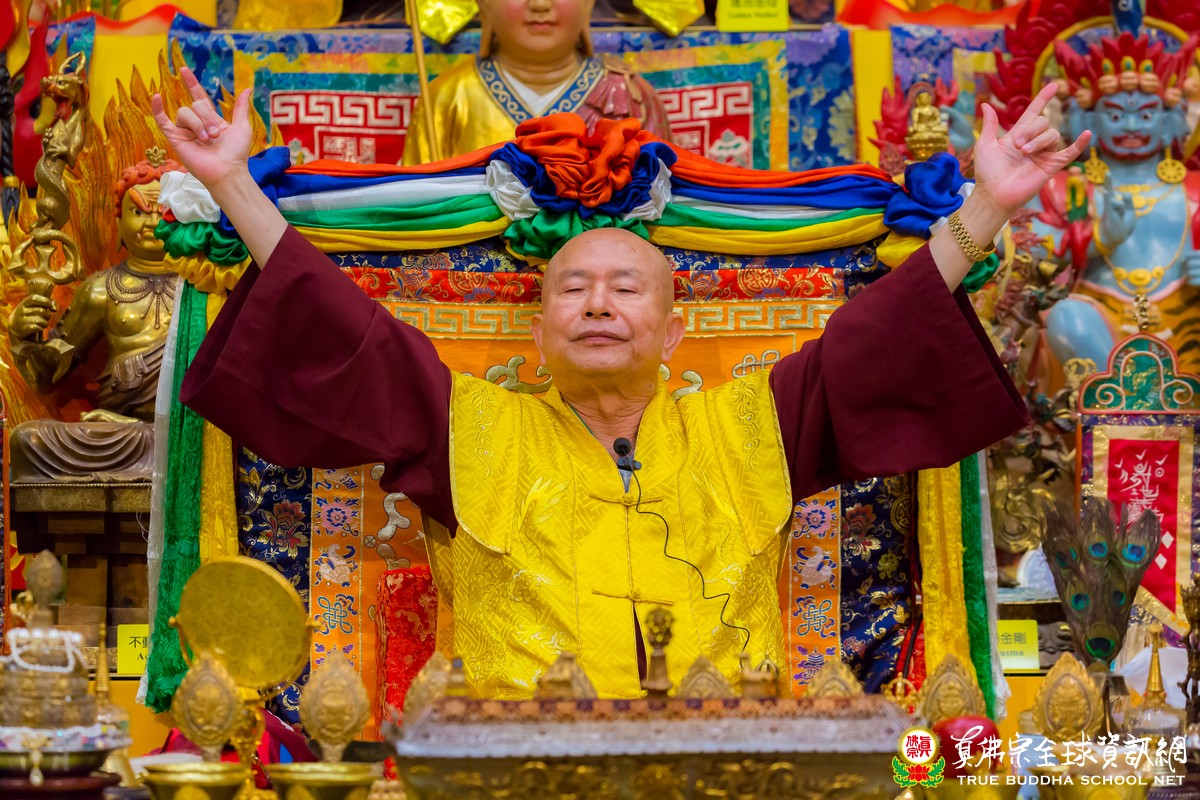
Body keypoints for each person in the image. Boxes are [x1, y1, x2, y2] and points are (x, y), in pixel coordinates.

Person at [153, 73, 1089, 699]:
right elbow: (337, 328)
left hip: (727, 770)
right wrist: (233, 184)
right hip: (509, 774)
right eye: (573, 288)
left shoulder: (751, 425)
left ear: (675, 331)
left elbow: (879, 341)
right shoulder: (467, 425)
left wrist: (989, 205)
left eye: (626, 288)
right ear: (538, 330)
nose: (598, 304)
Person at [401, 0, 670, 164]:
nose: (540, 5)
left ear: (587, 4)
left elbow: (665, 198)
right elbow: (417, 201)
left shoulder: (630, 96)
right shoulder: (448, 95)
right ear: (485, 5)